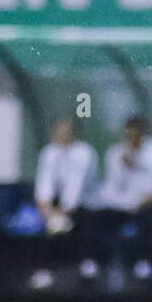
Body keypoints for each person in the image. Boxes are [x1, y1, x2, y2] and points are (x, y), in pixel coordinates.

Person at [88, 115, 152, 282]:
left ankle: (144, 262)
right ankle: (95, 262)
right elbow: (112, 186)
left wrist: (138, 169)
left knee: (146, 220)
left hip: (147, 202)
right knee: (97, 219)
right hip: (121, 204)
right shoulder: (115, 153)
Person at [31, 118, 97, 287]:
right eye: (60, 132)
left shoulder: (84, 152)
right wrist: (48, 212)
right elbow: (44, 184)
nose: (63, 136)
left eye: (67, 132)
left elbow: (76, 186)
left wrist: (62, 213)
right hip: (56, 206)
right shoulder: (49, 153)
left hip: (84, 204)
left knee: (78, 223)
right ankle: (43, 271)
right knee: (50, 227)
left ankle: (86, 264)